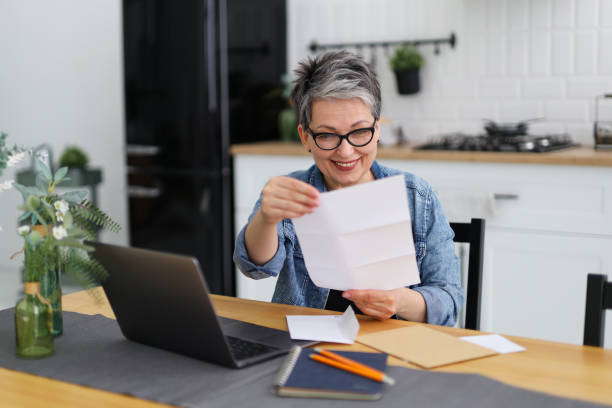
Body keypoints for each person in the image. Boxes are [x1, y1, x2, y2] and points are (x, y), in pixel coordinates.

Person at [233, 50, 464, 326]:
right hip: (306, 348)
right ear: (305, 137)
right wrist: (266, 218)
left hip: (396, 350)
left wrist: (398, 301)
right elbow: (254, 267)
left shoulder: (417, 197)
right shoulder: (290, 193)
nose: (345, 151)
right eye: (327, 135)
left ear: (377, 129)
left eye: (358, 132)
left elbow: (449, 301)